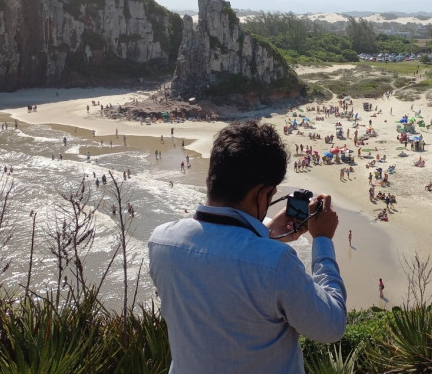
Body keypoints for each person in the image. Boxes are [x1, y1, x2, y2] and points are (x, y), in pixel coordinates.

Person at [148, 121, 346, 373]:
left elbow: (221, 268)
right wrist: (323, 240)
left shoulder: (161, 241)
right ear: (262, 194)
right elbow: (331, 326)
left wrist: (267, 233)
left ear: (213, 177)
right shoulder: (277, 262)